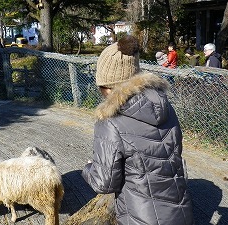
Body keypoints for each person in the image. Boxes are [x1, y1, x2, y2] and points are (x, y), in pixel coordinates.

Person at [81, 35, 194, 225]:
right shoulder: (165, 107)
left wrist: (89, 167)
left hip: (140, 218)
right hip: (181, 214)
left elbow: (104, 182)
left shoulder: (110, 121)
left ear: (107, 87)